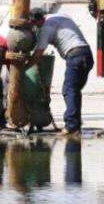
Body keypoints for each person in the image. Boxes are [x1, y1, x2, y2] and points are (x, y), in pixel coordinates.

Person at [29, 9, 93, 139]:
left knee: (69, 90)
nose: (35, 26)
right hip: (87, 54)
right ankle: (75, 123)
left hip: (74, 56)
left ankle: (71, 126)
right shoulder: (61, 15)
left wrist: (25, 67)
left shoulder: (45, 28)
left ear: (37, 20)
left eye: (34, 23)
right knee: (74, 91)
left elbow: (37, 55)